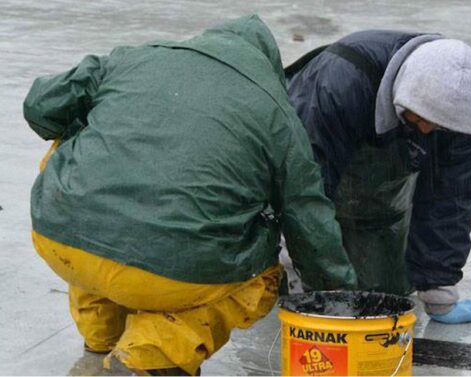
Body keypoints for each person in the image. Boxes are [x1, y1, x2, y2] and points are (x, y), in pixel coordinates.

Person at [23, 15, 357, 375]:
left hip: (59, 234)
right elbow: (307, 216)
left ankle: (101, 336)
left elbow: (41, 104)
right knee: (264, 280)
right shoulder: (277, 113)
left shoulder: (130, 58)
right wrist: (335, 294)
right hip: (171, 270)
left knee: (86, 166)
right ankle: (152, 355)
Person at [286, 30, 471, 324]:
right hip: (309, 170)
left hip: (373, 196)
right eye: (419, 118)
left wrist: (439, 292)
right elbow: (302, 194)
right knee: (316, 290)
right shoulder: (340, 85)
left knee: (389, 293)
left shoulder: (465, 108)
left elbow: (452, 196)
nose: (424, 130)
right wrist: (310, 277)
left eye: (437, 126)